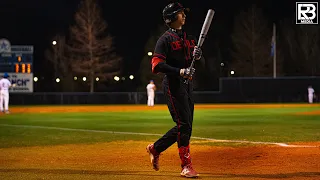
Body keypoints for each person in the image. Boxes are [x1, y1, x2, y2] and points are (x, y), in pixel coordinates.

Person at [146, 2, 203, 178]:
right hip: (173, 85)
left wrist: (197, 56)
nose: (184, 15)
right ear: (171, 19)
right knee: (184, 125)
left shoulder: (189, 37)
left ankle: (156, 148)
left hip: (187, 85)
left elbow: (192, 61)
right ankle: (186, 165)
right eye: (180, 13)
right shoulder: (164, 40)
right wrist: (180, 71)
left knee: (185, 126)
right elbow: (156, 65)